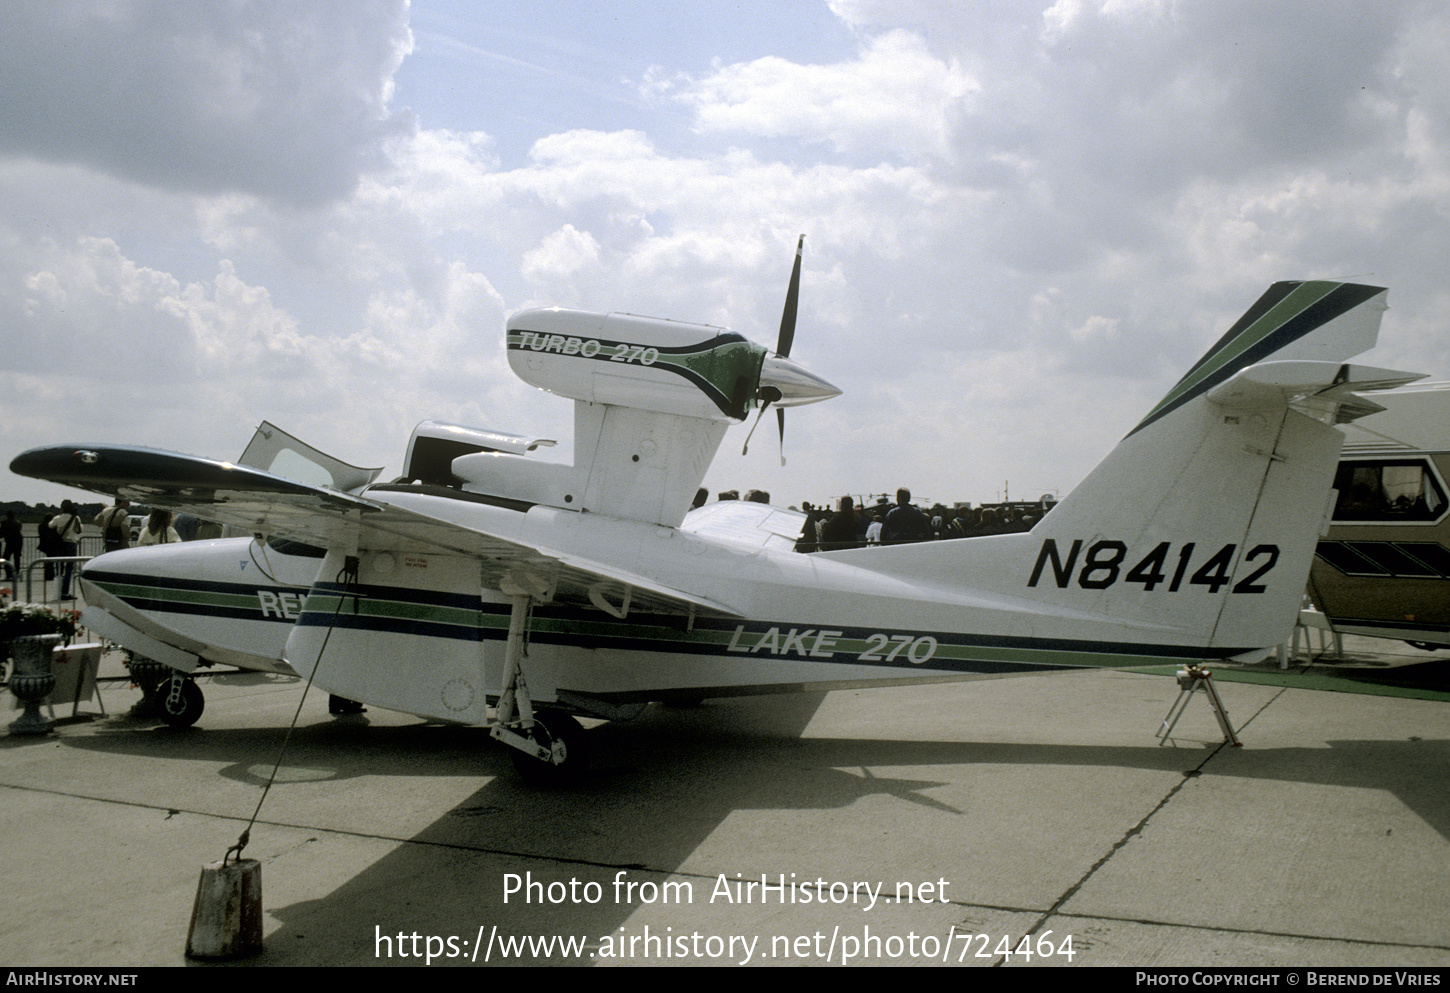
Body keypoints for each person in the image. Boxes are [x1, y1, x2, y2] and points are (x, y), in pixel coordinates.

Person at [51, 500, 84, 598]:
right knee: (69, 569)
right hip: (71, 543)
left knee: (59, 568)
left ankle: (57, 591)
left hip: (60, 544)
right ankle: (65, 591)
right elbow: (79, 530)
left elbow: (50, 525)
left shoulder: (58, 518)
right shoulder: (76, 518)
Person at [1, 510, 21, 578]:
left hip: (9, 542)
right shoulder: (18, 523)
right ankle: (16, 573)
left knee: (6, 558)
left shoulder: (5, 523)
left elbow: (2, 532)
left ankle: (8, 573)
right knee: (17, 558)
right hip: (18, 542)